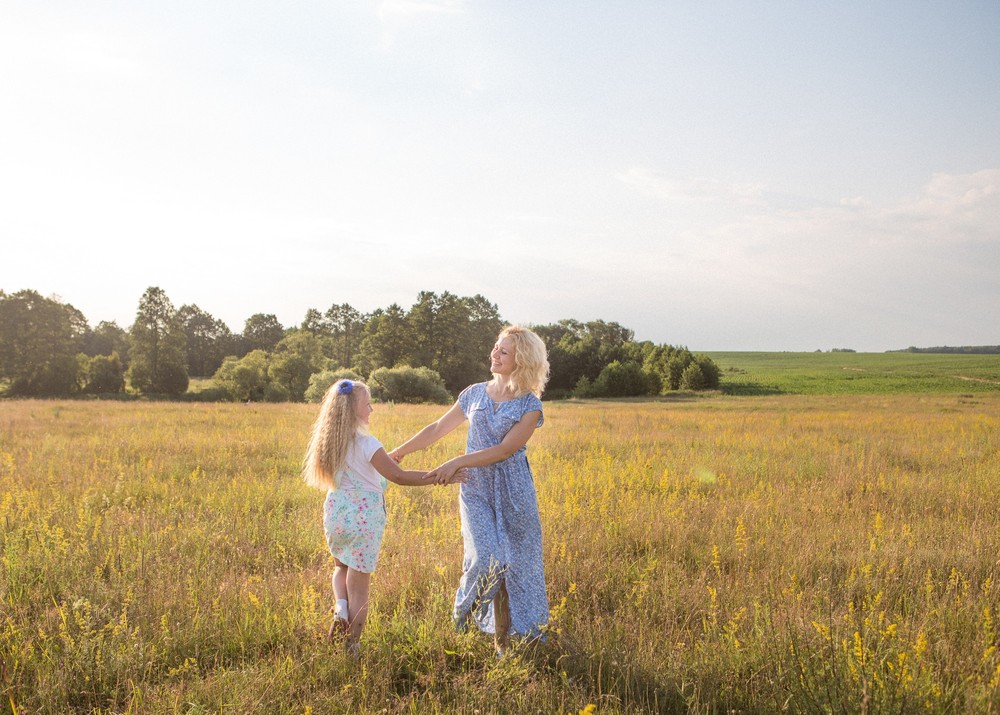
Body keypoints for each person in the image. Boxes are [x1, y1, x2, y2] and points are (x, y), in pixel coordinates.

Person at [389, 325, 550, 653]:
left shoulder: (530, 406)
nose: (494, 354)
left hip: (514, 492)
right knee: (487, 557)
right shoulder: (475, 393)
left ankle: (510, 640)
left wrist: (458, 460)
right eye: (495, 347)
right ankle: (462, 617)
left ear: (522, 360)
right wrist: (402, 451)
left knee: (518, 565)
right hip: (475, 489)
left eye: (503, 351)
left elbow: (505, 450)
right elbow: (437, 427)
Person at [302, 379, 468, 656]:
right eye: (368, 404)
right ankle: (351, 647)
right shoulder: (368, 444)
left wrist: (385, 461)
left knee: (340, 568)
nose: (372, 408)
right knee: (360, 589)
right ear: (355, 411)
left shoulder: (328, 444)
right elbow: (399, 477)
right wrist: (439, 477)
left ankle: (340, 606)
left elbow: (363, 474)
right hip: (364, 520)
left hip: (336, 515)